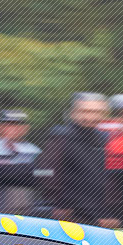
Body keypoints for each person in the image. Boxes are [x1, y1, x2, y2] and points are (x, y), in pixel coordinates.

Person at [36, 91, 111, 225]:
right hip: (68, 213)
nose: (91, 116)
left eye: (97, 112)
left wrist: (110, 212)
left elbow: (109, 177)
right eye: (85, 111)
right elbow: (44, 172)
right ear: (73, 113)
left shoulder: (104, 139)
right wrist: (60, 205)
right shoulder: (61, 136)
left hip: (97, 214)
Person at [0, 110, 40, 213]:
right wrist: (31, 171)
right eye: (8, 124)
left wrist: (30, 173)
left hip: (28, 209)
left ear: (26, 128)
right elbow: (2, 174)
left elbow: (46, 174)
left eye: (18, 124)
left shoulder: (33, 150)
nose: (13, 128)